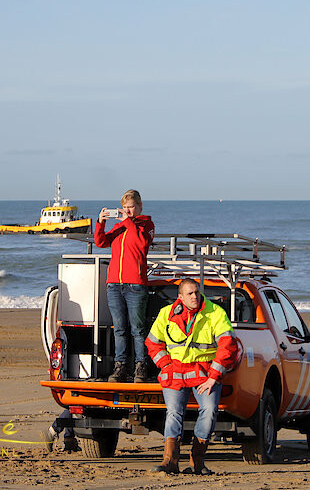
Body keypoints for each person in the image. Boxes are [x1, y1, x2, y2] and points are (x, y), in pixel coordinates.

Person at [146, 279, 238, 475]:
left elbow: (228, 346)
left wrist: (213, 377)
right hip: (175, 372)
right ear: (180, 297)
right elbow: (153, 343)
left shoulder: (215, 313)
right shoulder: (166, 313)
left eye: (196, 292)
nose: (195, 296)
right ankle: (170, 461)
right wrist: (165, 365)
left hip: (205, 373)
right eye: (190, 294)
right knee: (173, 413)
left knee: (210, 410)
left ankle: (197, 460)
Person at [94, 189, 155, 383]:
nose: (128, 211)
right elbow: (100, 242)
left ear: (139, 206)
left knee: (138, 329)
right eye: (125, 207)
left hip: (135, 284)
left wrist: (127, 222)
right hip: (114, 284)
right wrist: (100, 222)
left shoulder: (146, 224)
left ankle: (141, 366)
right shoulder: (120, 226)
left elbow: (141, 243)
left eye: (131, 207)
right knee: (119, 329)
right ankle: (120, 366)